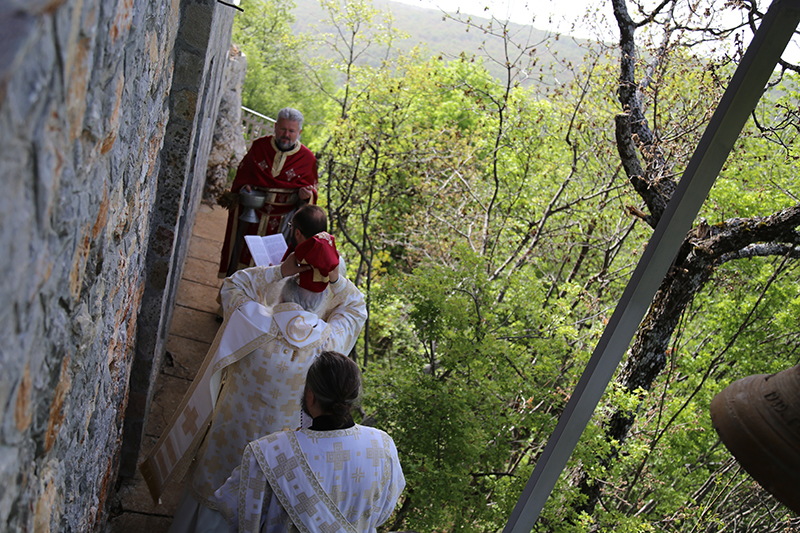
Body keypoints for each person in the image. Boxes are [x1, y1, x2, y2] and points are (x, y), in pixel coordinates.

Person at [139, 234, 367, 532]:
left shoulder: (252, 322)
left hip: (228, 436)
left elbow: (233, 285)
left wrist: (279, 271)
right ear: (324, 301)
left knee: (209, 496)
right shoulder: (328, 346)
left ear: (283, 291)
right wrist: (334, 278)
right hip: (274, 454)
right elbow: (355, 308)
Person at [214, 351, 405, 533]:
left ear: (310, 395)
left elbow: (231, 503)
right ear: (353, 397)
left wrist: (286, 443)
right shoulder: (382, 445)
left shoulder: (270, 451)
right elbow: (382, 513)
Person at [218, 107, 319, 277]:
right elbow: (243, 177)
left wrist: (305, 198)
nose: (286, 134)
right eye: (282, 129)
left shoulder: (307, 159)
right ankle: (234, 299)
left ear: (299, 132)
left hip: (283, 223)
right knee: (243, 257)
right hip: (252, 214)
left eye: (291, 131)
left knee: (273, 266)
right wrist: (245, 188)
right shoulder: (260, 147)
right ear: (275, 126)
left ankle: (263, 303)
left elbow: (311, 198)